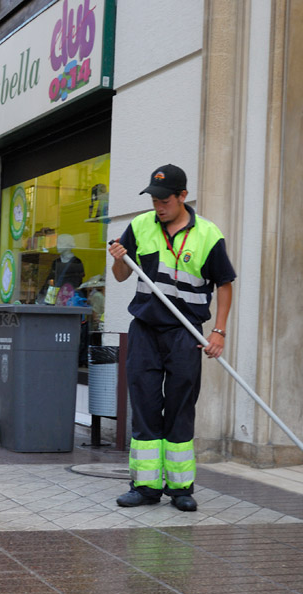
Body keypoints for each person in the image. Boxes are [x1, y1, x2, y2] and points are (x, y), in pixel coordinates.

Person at [107, 164, 236, 512]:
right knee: (146, 406)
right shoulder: (139, 227)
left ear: (182, 196)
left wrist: (219, 332)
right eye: (153, 199)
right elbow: (121, 276)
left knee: (180, 409)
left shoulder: (208, 235)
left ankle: (181, 489)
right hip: (145, 330)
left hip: (186, 333)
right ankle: (146, 487)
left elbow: (224, 284)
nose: (158, 206)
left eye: (164, 199)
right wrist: (119, 258)